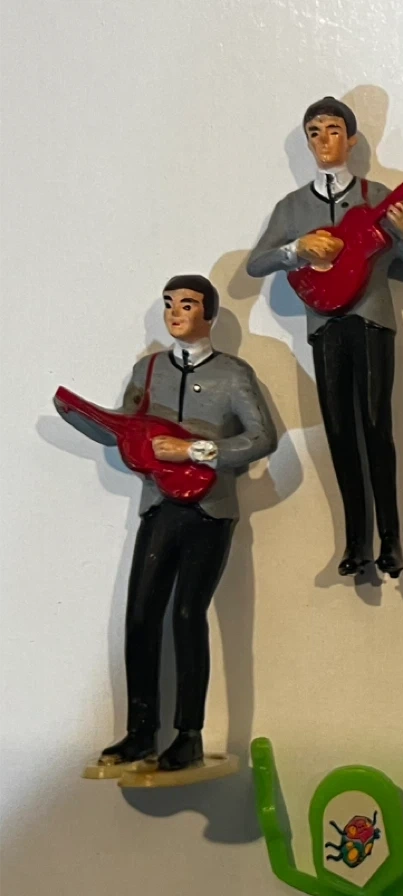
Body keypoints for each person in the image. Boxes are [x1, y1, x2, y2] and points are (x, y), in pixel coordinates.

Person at [60, 275, 277, 771]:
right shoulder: (149, 370)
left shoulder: (233, 374)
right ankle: (140, 731)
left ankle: (188, 734)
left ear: (209, 314)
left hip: (210, 509)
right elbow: (128, 426)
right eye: (169, 304)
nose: (175, 313)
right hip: (160, 504)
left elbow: (262, 438)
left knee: (186, 614)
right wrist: (85, 419)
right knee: (141, 613)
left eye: (187, 304)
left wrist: (196, 451)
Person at [246, 95, 403, 577]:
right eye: (314, 133)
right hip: (324, 326)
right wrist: (296, 249)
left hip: (371, 321)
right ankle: (355, 541)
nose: (324, 141)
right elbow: (256, 263)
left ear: (351, 139)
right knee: (339, 430)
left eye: (332, 130)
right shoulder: (292, 207)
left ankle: (392, 539)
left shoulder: (376, 194)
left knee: (376, 425)